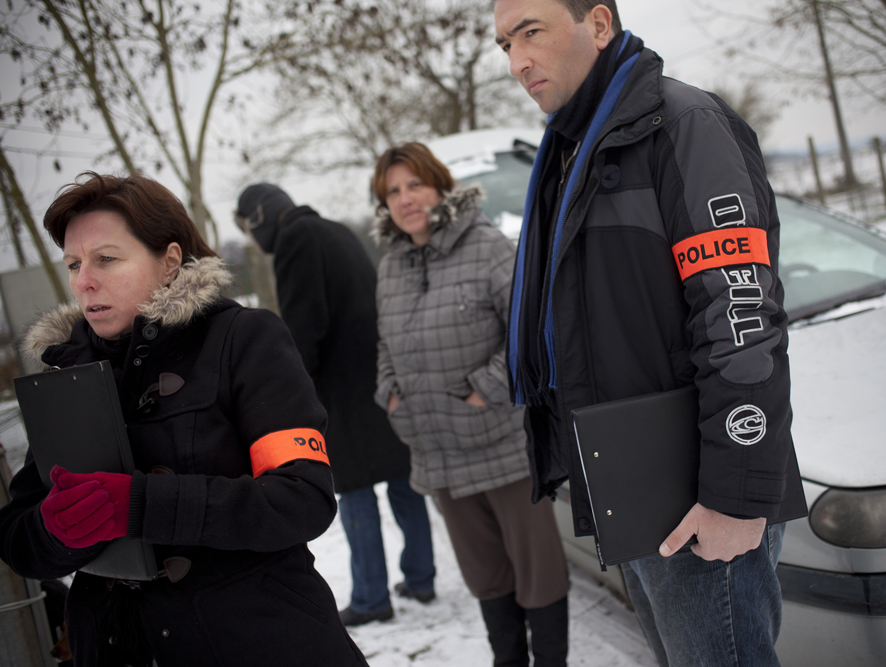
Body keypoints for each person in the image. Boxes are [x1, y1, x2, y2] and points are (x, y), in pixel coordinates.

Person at [493, 1, 808, 666]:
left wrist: (735, 493)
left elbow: (740, 311)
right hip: (630, 486)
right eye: (504, 45)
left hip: (697, 495)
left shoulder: (683, 124)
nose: (518, 63)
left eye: (531, 33)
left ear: (599, 24)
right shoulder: (572, 153)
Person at [0, 172, 368, 667]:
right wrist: (54, 532)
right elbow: (19, 540)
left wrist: (137, 504)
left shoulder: (245, 340)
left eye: (106, 258)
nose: (84, 280)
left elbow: (301, 499)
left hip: (260, 641)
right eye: (73, 263)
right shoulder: (64, 375)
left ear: (170, 261)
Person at [372, 142, 570, 666]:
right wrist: (389, 393)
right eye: (393, 191)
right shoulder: (390, 266)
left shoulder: (487, 247)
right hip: (437, 455)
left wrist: (486, 386)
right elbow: (384, 344)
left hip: (501, 446)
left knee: (539, 576)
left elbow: (534, 332)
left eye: (415, 184)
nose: (405, 198)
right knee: (487, 580)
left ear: (440, 187)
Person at [234, 183, 436, 626]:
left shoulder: (294, 240)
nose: (253, 240)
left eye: (248, 228)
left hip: (340, 393)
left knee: (355, 491)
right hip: (378, 383)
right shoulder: (334, 230)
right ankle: (421, 577)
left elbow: (304, 326)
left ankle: (370, 598)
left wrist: (294, 389)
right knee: (402, 481)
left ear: (262, 217)